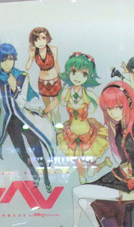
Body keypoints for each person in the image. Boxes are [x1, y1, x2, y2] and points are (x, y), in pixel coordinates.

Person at [62, 81, 134, 227]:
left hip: (133, 185)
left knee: (77, 193)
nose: (114, 112)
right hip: (118, 177)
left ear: (128, 103)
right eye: (109, 109)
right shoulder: (118, 127)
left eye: (118, 107)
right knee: (83, 201)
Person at [0, 43, 55, 192]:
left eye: (11, 59)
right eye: (4, 60)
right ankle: (34, 174)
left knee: (37, 150)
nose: (8, 63)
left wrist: (14, 88)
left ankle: (46, 178)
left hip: (24, 119)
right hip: (10, 122)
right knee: (21, 152)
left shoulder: (22, 76)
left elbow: (21, 103)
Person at [54, 52, 108, 184]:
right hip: (71, 132)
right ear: (68, 72)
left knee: (90, 168)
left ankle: (103, 163)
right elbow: (54, 104)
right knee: (78, 158)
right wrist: (44, 112)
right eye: (74, 72)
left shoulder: (88, 93)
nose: (78, 77)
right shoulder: (66, 92)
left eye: (83, 74)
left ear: (88, 76)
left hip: (87, 131)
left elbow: (104, 105)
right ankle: (82, 178)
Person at [25, 27, 61, 126]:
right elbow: (27, 67)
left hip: (55, 80)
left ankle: (58, 128)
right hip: (42, 82)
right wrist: (31, 57)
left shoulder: (53, 49)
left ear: (47, 38)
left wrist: (60, 77)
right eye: (36, 40)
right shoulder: (34, 52)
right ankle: (50, 127)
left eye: (43, 38)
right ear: (33, 41)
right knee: (47, 107)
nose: (40, 42)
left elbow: (56, 64)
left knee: (55, 108)